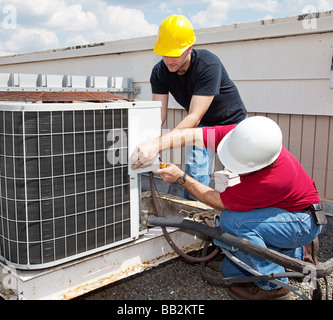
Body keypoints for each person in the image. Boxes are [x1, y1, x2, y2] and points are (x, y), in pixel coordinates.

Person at [131, 116, 323, 300]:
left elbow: (217, 201)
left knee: (233, 223)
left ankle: (274, 286)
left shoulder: (272, 180)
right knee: (229, 271)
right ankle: (298, 255)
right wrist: (154, 145)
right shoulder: (242, 137)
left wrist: (181, 178)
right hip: (287, 211)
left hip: (301, 221)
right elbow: (191, 135)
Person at [150, 14, 247, 199]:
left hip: (233, 123)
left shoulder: (208, 64)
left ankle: (238, 215)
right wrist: (148, 140)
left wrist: (159, 144)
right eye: (165, 53)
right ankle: (193, 219)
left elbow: (194, 116)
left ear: (189, 49)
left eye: (176, 53)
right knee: (195, 174)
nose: (170, 60)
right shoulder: (159, 72)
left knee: (242, 174)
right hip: (203, 127)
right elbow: (159, 115)